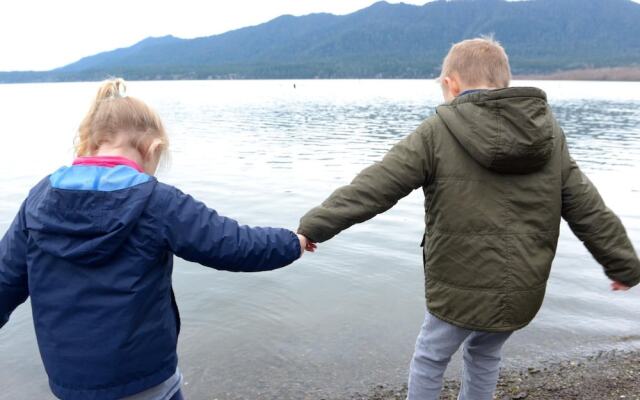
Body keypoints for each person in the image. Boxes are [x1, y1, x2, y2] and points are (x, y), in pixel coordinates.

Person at [297, 38, 640, 400]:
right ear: (504, 82)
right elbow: (588, 207)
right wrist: (623, 265)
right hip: (521, 286)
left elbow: (375, 187)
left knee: (431, 357)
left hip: (458, 285)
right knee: (485, 353)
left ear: (452, 83)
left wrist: (313, 227)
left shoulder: (437, 132)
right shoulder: (549, 136)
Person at [0, 79, 309, 400]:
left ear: (88, 143)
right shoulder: (155, 200)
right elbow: (234, 244)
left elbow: (5, 280)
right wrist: (294, 242)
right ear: (152, 149)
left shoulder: (39, 199)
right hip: (144, 379)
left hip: (71, 383)